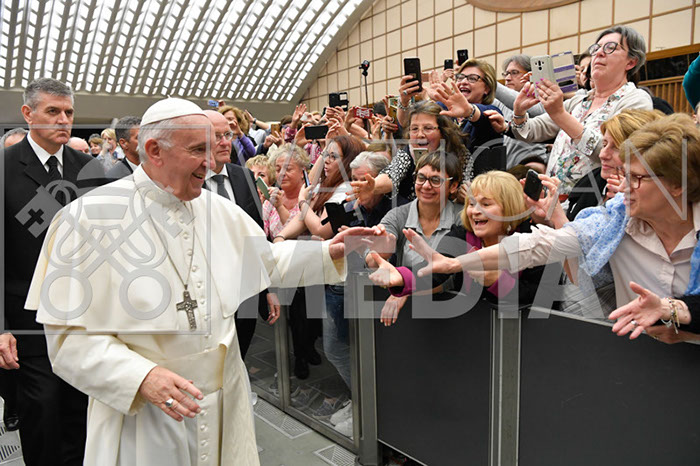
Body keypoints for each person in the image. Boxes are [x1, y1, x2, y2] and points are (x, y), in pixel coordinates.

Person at [24, 97, 377, 465]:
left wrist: (328, 252)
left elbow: (267, 261)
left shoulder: (219, 209)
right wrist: (140, 377)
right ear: (154, 150)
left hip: (225, 400)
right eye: (197, 150)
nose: (211, 161)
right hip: (146, 415)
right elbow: (67, 340)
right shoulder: (86, 219)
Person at [403, 114, 700, 344]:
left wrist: (677, 313)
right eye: (625, 175)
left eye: (637, 179)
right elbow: (540, 246)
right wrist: (455, 263)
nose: (624, 188)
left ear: (677, 185)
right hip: (635, 358)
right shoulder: (614, 218)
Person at [1, 77, 104, 466]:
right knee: (42, 412)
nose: (64, 120)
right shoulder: (5, 168)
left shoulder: (90, 168)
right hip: (27, 318)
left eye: (69, 112)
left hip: (83, 315)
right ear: (28, 114)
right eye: (53, 111)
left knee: (81, 408)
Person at [369, 170, 548, 323]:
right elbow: (436, 271)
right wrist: (401, 277)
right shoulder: (463, 235)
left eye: (486, 204)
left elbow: (542, 296)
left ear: (510, 208)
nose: (475, 211)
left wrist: (496, 280)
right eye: (471, 204)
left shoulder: (533, 237)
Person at [505, 25, 653, 198]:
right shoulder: (580, 100)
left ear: (631, 62)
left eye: (610, 48)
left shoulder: (636, 100)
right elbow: (530, 131)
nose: (599, 53)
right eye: (596, 48)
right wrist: (519, 112)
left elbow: (616, 154)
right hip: (553, 201)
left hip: (594, 200)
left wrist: (560, 115)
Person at [202, 109, 280, 357]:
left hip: (245, 292)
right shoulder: (187, 183)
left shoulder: (244, 176)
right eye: (217, 136)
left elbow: (256, 235)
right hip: (207, 295)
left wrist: (266, 289)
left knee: (241, 353)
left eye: (228, 134)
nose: (225, 142)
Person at [351, 101, 469, 202]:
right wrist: (373, 186)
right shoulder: (407, 152)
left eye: (428, 128)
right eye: (414, 129)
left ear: (442, 131)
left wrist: (462, 194)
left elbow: (468, 186)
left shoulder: (459, 153)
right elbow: (391, 175)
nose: (420, 135)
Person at [433, 58, 504, 153]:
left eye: (472, 78)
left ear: (487, 88)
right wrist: (428, 100)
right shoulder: (443, 108)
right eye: (460, 77)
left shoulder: (491, 112)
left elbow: (483, 116)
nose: (463, 82)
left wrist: (470, 111)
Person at [495, 55, 548, 168]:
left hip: (531, 168)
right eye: (506, 73)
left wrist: (486, 80)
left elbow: (534, 110)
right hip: (508, 169)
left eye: (514, 73)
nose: (507, 78)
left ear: (530, 75)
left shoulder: (541, 99)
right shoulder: (500, 102)